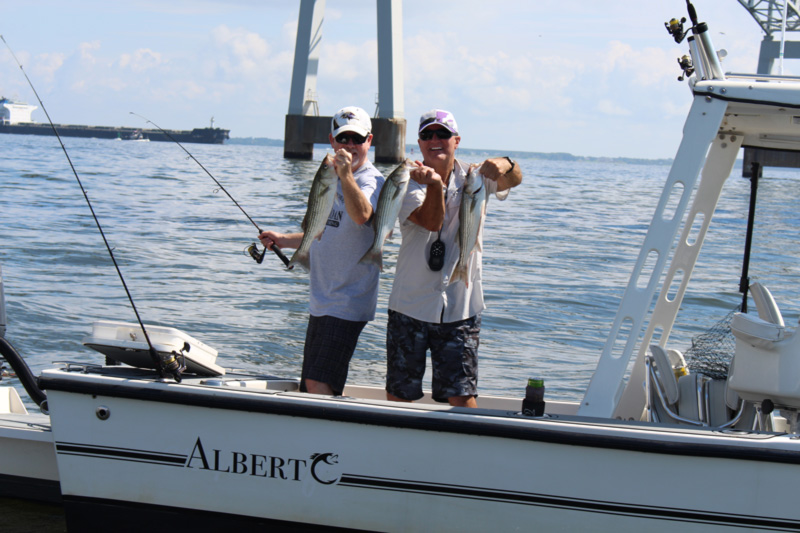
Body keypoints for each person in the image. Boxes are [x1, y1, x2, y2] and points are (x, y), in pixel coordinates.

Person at [386, 109, 522, 408]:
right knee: (399, 394)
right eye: (427, 135)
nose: (435, 140)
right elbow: (431, 222)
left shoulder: (476, 177)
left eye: (442, 134)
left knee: (461, 395)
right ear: (420, 143)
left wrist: (506, 163)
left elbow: (515, 179)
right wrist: (434, 184)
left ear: (456, 140)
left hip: (462, 305)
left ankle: (468, 451)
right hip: (410, 304)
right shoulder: (408, 181)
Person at [259, 106, 385, 396]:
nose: (349, 146)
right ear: (331, 141)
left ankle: (327, 438)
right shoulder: (330, 177)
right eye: (343, 139)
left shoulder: (370, 180)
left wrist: (345, 175)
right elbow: (324, 229)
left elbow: (361, 215)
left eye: (357, 139)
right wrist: (283, 240)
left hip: (347, 301)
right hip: (321, 299)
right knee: (311, 383)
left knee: (318, 383)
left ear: (370, 140)